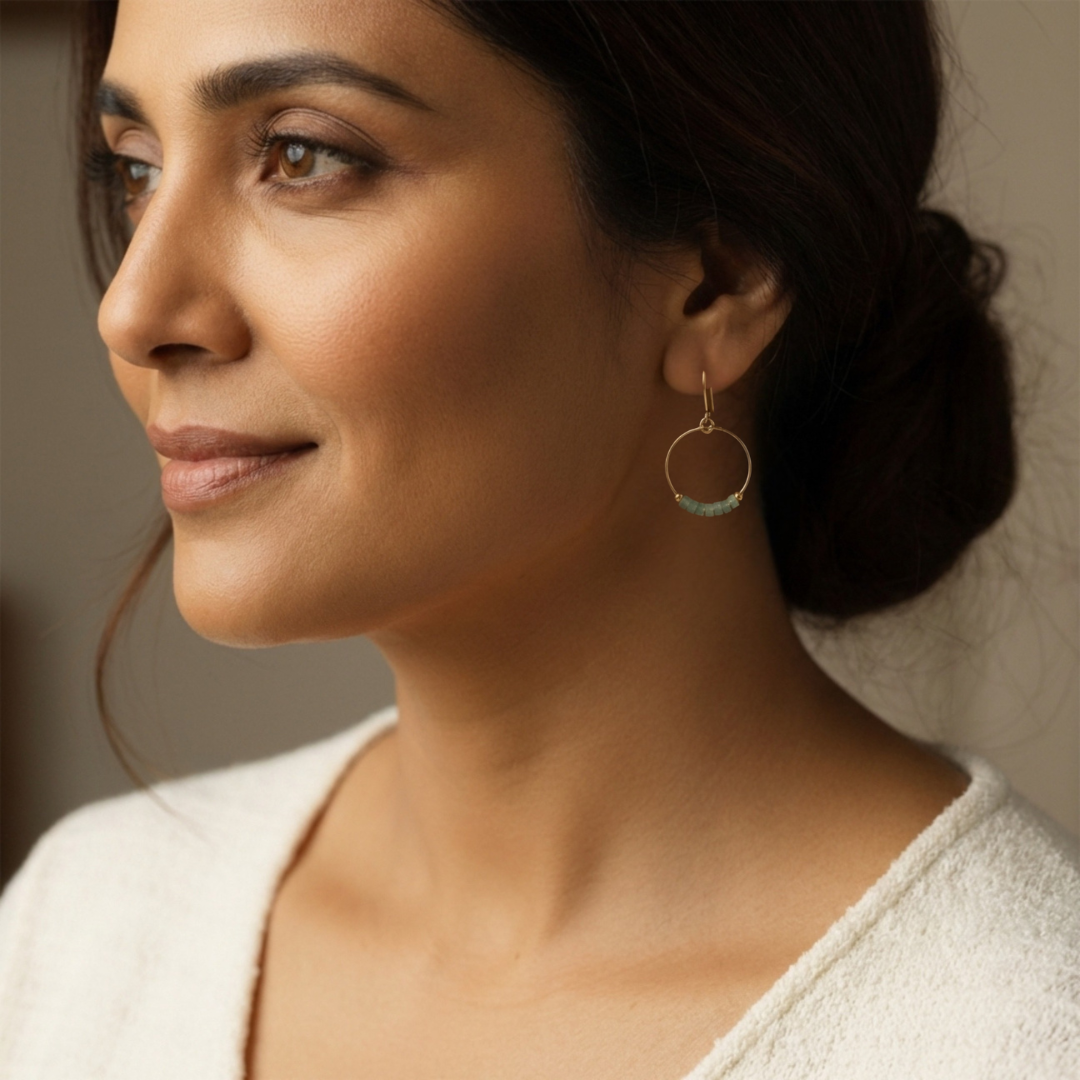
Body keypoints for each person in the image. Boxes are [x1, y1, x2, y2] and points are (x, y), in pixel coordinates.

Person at [1, 1, 1077, 1077]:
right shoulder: (87, 929)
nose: (134, 308)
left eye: (301, 156)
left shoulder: (1016, 1027)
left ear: (718, 278)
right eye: (134, 168)